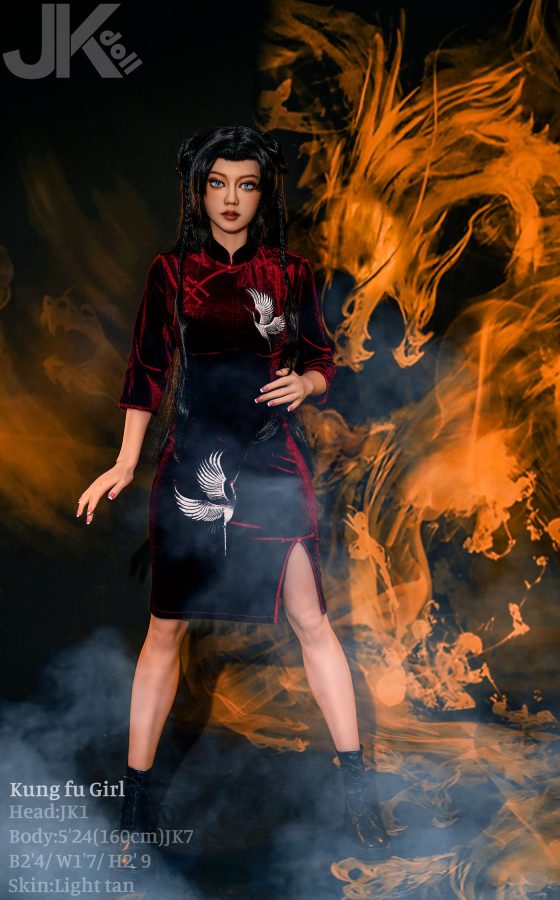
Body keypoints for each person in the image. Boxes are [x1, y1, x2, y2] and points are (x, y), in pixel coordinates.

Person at [76, 125, 392, 859]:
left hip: (271, 460)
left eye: (245, 184)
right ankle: (135, 807)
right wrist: (125, 463)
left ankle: (359, 796)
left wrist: (307, 383)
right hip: (191, 460)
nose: (230, 198)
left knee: (311, 621)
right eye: (217, 183)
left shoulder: (290, 271)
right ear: (199, 190)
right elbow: (146, 369)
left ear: (262, 194)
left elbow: (322, 357)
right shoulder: (170, 270)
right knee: (165, 630)